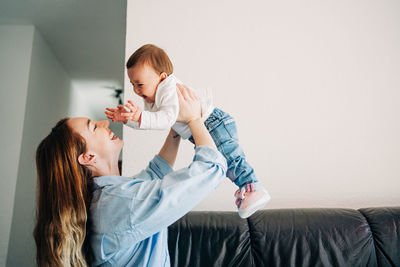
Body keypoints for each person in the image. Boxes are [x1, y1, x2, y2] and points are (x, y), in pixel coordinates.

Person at [34, 85, 227, 266]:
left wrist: (174, 120)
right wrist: (194, 120)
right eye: (94, 127)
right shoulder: (119, 203)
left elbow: (155, 172)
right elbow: (210, 169)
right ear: (88, 157)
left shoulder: (106, 198)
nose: (104, 122)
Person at [105, 44, 270, 218]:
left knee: (233, 159)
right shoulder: (154, 93)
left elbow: (165, 119)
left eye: (139, 84)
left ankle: (254, 187)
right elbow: (151, 121)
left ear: (161, 78)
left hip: (214, 124)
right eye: (132, 84)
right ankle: (246, 188)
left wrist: (139, 117)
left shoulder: (167, 89)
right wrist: (129, 119)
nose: (136, 90)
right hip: (208, 127)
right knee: (226, 163)